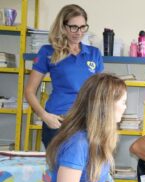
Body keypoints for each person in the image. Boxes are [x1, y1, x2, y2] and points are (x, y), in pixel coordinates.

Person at [25, 4, 104, 148]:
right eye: (73, 27)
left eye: (82, 27)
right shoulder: (48, 52)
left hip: (86, 122)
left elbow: (100, 92)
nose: (78, 32)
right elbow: (29, 91)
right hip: (58, 121)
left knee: (84, 168)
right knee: (56, 169)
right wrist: (44, 116)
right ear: (63, 26)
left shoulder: (94, 54)